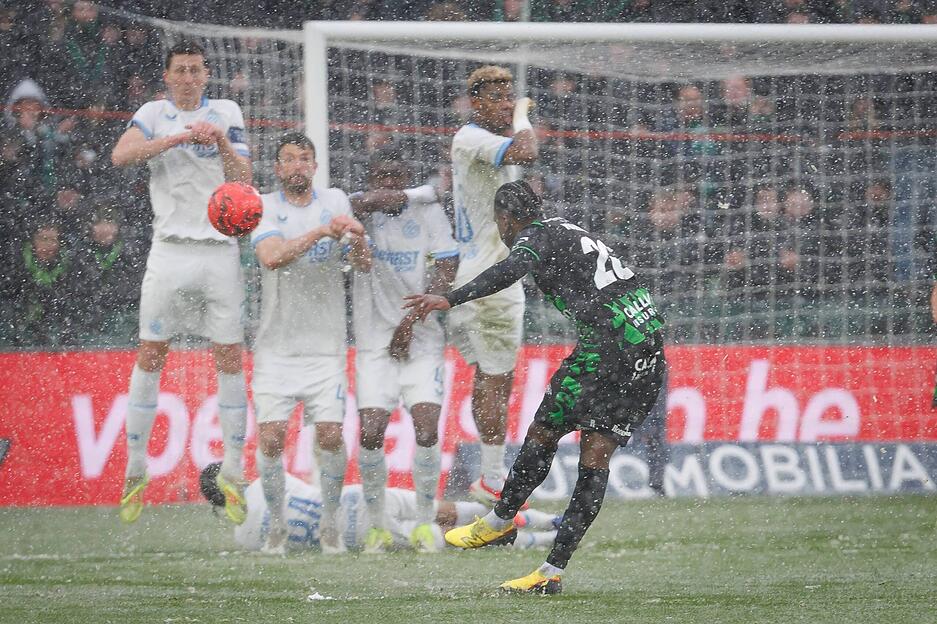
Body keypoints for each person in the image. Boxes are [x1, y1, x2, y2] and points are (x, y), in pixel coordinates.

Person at [405, 181, 666, 594]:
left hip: (608, 349)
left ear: (506, 220)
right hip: (648, 351)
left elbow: (511, 270)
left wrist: (449, 299)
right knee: (595, 459)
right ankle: (550, 572)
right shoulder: (568, 229)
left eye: (499, 223)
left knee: (544, 432)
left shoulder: (533, 235)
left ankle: (498, 520)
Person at [110, 40, 253, 525]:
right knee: (151, 353)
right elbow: (121, 155)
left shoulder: (227, 111)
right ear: (167, 78)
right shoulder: (153, 113)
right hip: (169, 249)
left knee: (229, 359)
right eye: (181, 71)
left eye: (196, 70)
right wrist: (171, 140)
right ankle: (134, 469)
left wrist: (219, 142)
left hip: (219, 252)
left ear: (206, 74)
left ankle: (233, 471)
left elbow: (245, 176)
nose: (189, 77)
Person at [250, 132, 372, 554]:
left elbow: (363, 262)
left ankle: (331, 526)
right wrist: (323, 232)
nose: (298, 165)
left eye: (305, 158)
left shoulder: (335, 199)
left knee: (331, 436)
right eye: (289, 159)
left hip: (326, 348)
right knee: (270, 439)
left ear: (315, 166)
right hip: (275, 348)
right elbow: (272, 256)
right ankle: (277, 527)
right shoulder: (263, 205)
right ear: (278, 169)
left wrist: (356, 238)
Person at [349, 147, 459, 553]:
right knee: (372, 432)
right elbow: (348, 209)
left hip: (423, 340)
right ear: (372, 180)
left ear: (407, 178)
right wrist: (370, 203)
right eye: (382, 177)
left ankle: (425, 522)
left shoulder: (427, 212)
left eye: (397, 176)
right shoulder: (359, 215)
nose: (390, 184)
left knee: (427, 429)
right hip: (374, 343)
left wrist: (411, 322)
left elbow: (447, 265)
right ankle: (377, 525)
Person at [448, 65, 538, 503]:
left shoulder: (477, 142)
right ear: (476, 102)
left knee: (491, 378)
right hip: (491, 279)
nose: (506, 103)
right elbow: (528, 151)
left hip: (479, 273)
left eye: (510, 96)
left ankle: (485, 477)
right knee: (496, 380)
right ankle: (490, 478)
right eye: (498, 97)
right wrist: (523, 116)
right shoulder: (472, 138)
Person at [197, 462, 561, 554]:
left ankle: (544, 542)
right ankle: (552, 522)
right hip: (359, 500)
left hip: (355, 534)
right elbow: (309, 489)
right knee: (450, 511)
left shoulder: (243, 538)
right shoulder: (265, 483)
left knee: (452, 536)